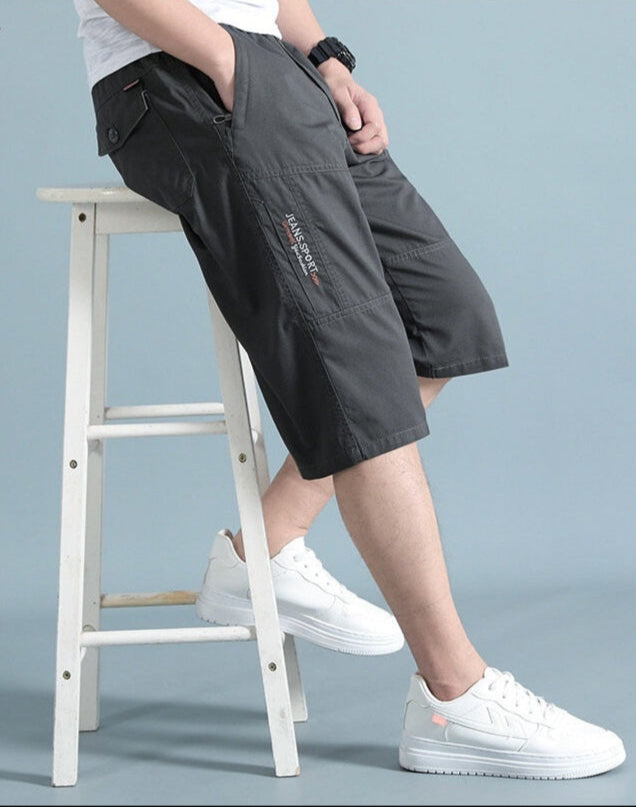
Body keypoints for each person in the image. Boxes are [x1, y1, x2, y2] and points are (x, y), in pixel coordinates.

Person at [74, 0, 625, 779]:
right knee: (352, 360)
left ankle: (261, 549)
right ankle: (454, 693)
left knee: (445, 314)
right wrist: (226, 62)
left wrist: (326, 62)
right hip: (179, 75)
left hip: (277, 68)